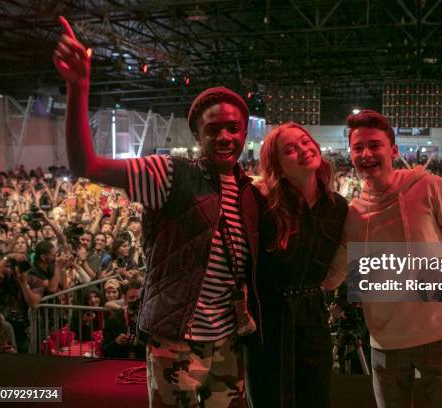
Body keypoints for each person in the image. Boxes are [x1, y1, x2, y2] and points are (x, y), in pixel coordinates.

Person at [54, 16, 261, 406]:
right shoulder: (168, 174)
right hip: (176, 341)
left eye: (233, 128)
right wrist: (78, 88)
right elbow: (87, 166)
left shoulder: (249, 194)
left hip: (227, 343)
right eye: (213, 129)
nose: (224, 137)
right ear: (197, 136)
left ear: (245, 134)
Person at [323, 110, 442, 408]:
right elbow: (333, 276)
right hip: (385, 343)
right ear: (350, 155)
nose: (366, 154)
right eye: (358, 147)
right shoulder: (353, 214)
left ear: (393, 150)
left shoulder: (427, 186)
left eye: (374, 145)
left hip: (440, 333)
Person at [245, 124, 347, 407]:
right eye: (290, 150)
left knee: (314, 398)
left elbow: (336, 270)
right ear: (276, 165)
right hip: (267, 320)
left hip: (312, 320)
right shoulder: (260, 202)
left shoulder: (337, 206)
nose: (302, 150)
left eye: (305, 142)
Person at [102, 278, 146, 359]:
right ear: (125, 299)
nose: (136, 301)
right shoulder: (114, 319)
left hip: (143, 365)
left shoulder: (148, 319)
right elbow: (104, 350)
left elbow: (155, 350)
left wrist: (138, 343)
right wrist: (116, 342)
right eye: (131, 298)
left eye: (139, 298)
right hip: (120, 364)